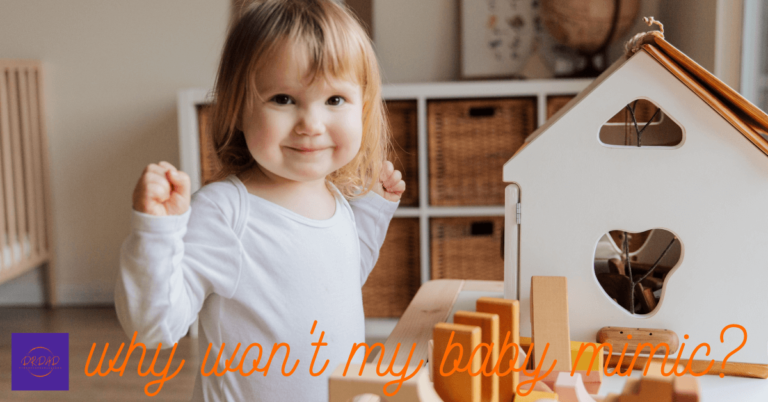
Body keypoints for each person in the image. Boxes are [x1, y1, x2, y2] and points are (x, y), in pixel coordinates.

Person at [114, 0, 405, 400]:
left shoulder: (335, 199)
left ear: (364, 107)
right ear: (238, 108)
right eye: (283, 99)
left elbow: (341, 280)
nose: (311, 125)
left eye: (334, 100)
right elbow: (154, 327)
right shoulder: (226, 212)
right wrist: (155, 233)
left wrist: (372, 211)